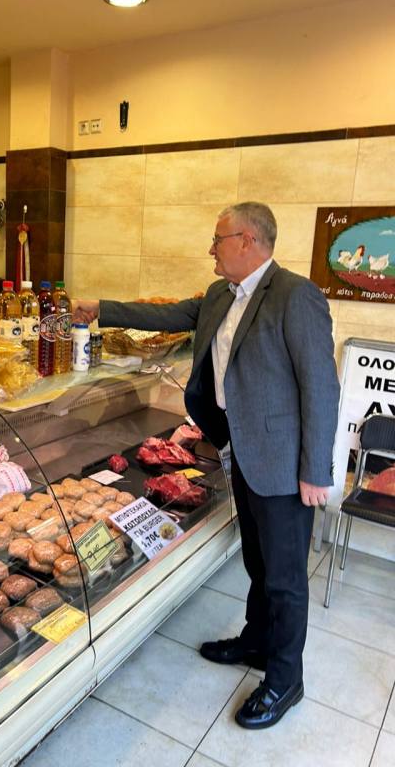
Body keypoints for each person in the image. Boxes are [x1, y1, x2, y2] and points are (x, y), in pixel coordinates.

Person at [74, 202, 340, 730]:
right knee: (258, 563)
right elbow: (167, 315)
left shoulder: (295, 295)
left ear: (247, 240)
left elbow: (321, 386)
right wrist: (97, 307)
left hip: (283, 463)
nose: (211, 249)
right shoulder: (221, 294)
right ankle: (256, 641)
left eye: (218, 240)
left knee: (285, 578)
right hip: (239, 452)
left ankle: (286, 679)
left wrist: (316, 469)